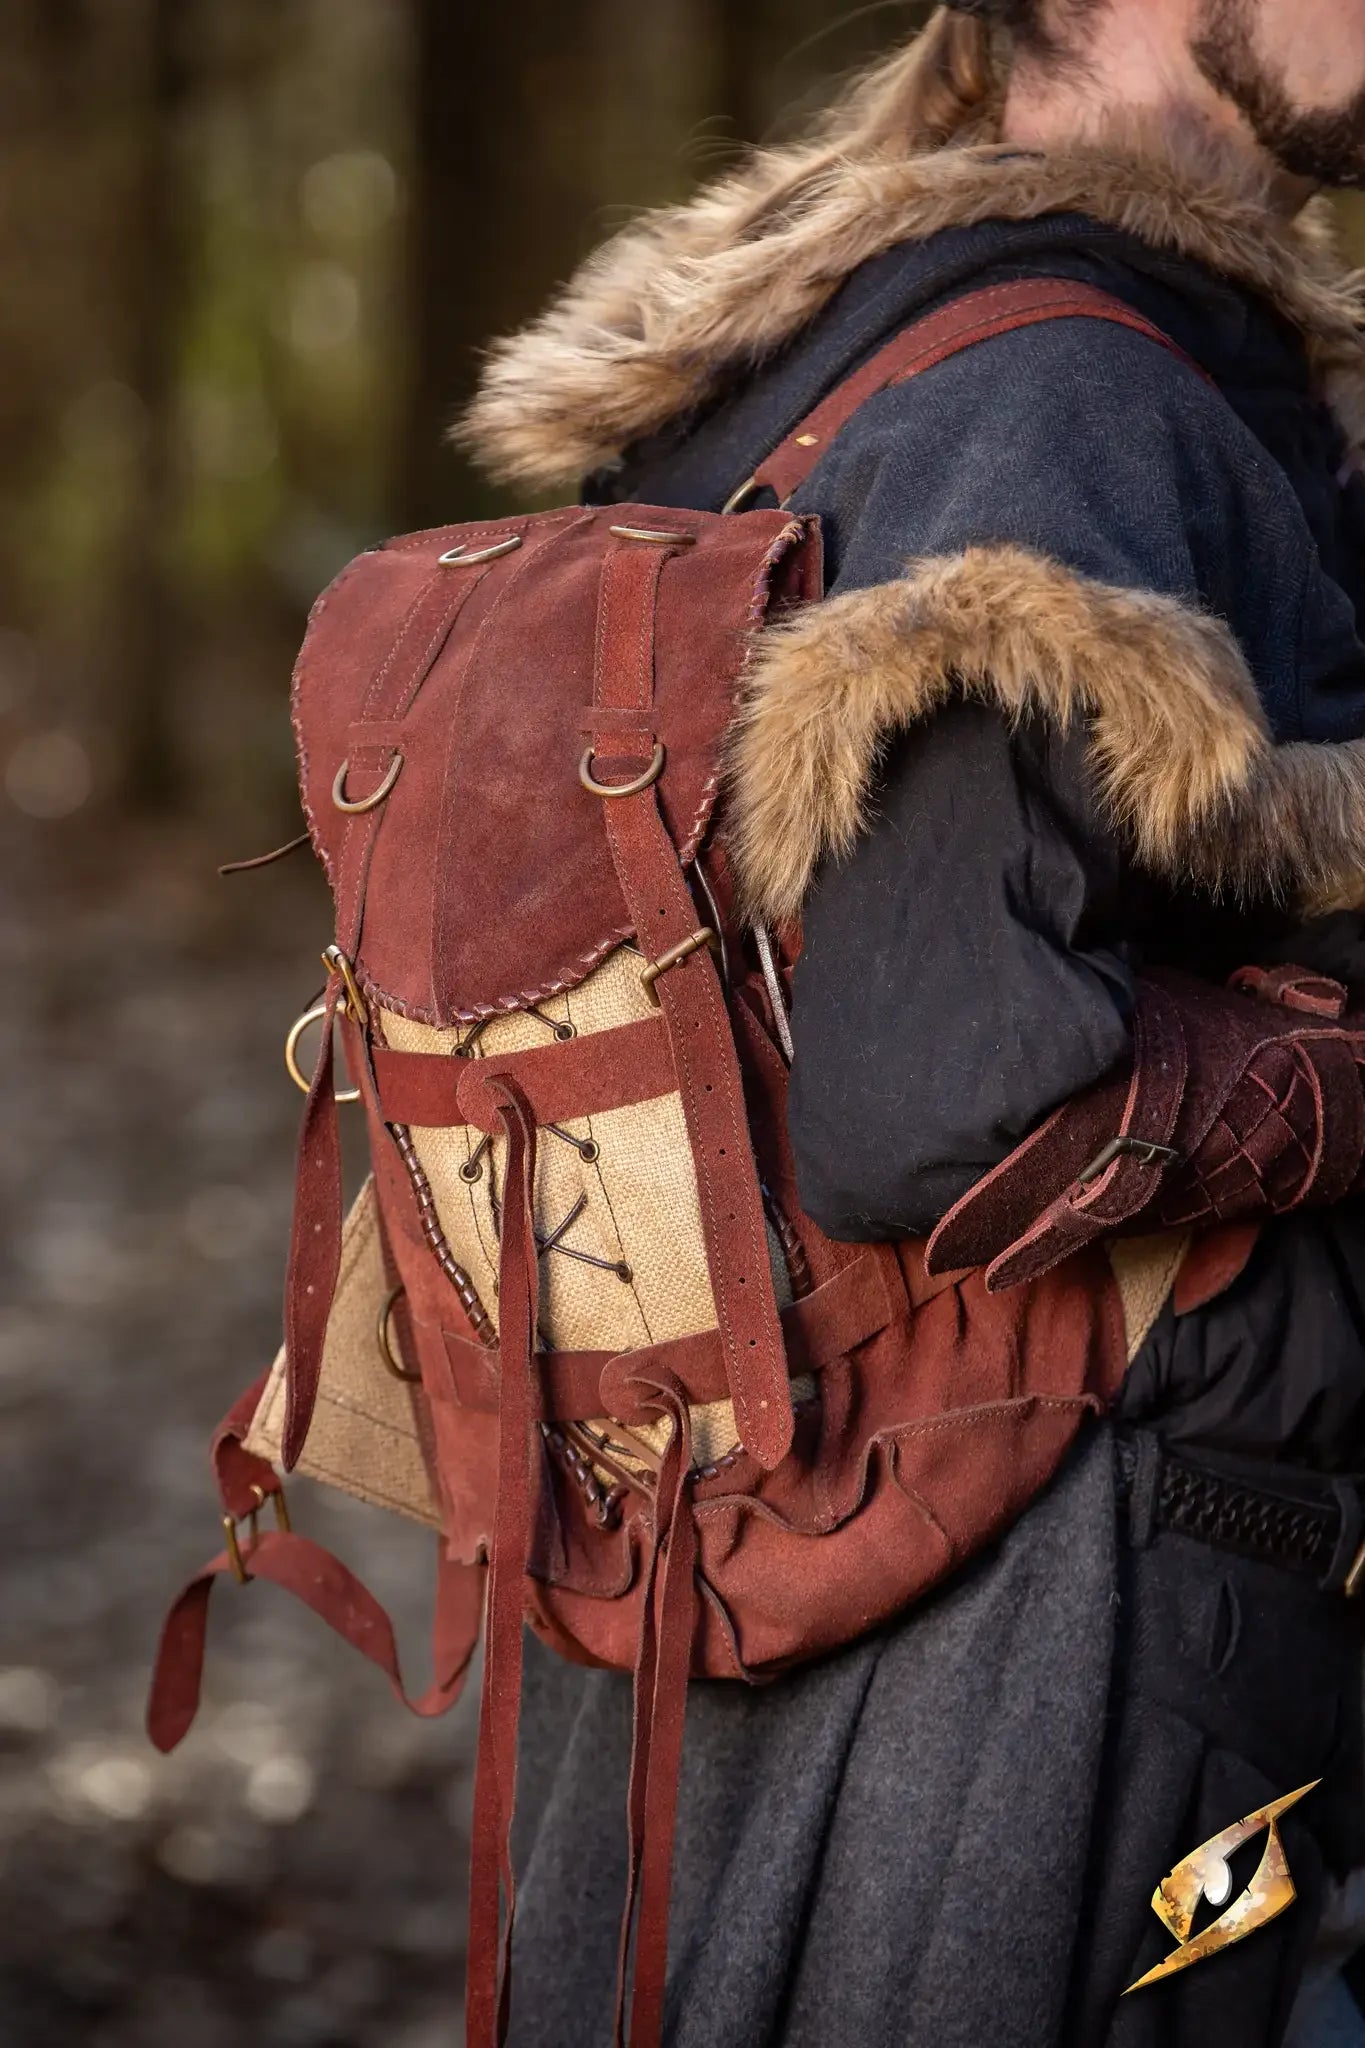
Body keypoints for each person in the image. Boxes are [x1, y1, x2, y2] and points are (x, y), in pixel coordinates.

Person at [458, 4, 1365, 2041]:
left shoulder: (850, 332)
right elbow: (948, 1099)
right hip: (1042, 1590)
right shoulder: (1057, 387)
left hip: (778, 1535)